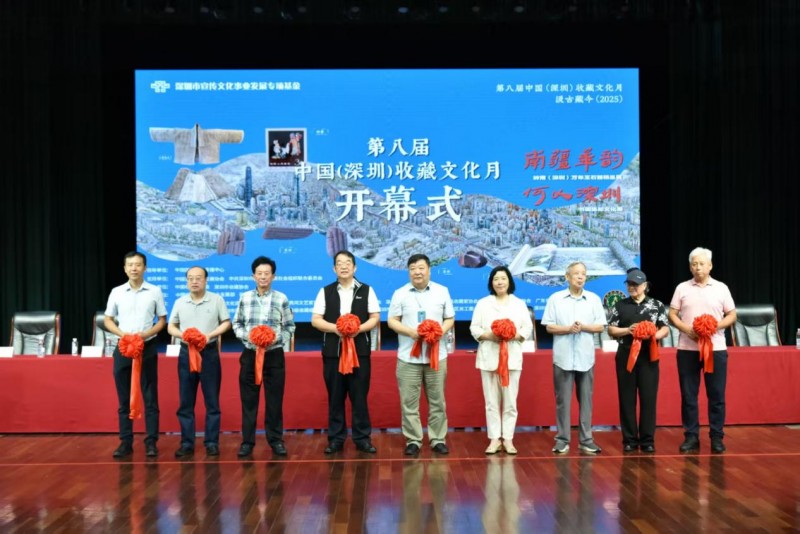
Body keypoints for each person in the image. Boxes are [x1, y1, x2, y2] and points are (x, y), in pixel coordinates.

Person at [311, 250, 381, 454]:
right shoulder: (326, 291)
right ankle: (336, 439)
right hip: (333, 353)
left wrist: (357, 329)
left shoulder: (366, 290)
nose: (344, 266)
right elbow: (316, 320)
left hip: (360, 353)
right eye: (339, 263)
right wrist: (338, 329)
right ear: (334, 269)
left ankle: (362, 438)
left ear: (355, 267)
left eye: (348, 263)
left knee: (359, 397)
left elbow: (375, 317)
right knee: (335, 398)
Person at [669, 247, 736, 454]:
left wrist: (715, 326)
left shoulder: (721, 288)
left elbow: (732, 315)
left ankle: (717, 437)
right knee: (689, 395)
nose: (698, 267)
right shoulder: (682, 288)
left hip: (715, 349)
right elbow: (672, 314)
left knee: (716, 395)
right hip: (687, 349)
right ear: (690, 267)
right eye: (694, 264)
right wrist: (686, 329)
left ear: (710, 266)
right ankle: (691, 436)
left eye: (702, 264)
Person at [388, 254, 455, 456]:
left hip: (437, 356)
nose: (417, 272)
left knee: (437, 401)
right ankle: (413, 440)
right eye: (413, 269)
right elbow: (392, 321)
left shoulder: (442, 291)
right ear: (408, 272)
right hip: (408, 357)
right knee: (409, 402)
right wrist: (410, 332)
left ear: (429, 270)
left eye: (421, 268)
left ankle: (437, 439)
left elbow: (450, 318)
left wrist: (439, 332)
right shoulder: (400, 293)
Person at [104, 251, 167, 458]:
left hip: (147, 347)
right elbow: (108, 319)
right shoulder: (116, 292)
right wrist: (123, 335)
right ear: (124, 268)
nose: (134, 268)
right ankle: (125, 441)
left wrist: (146, 334)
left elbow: (162, 320)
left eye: (138, 264)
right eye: (130, 265)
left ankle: (151, 442)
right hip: (124, 347)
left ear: (145, 268)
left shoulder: (155, 291)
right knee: (124, 398)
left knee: (150, 397)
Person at [232, 256, 296, 457]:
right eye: (259, 273)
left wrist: (275, 338)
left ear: (273, 276)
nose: (263, 277)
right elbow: (236, 324)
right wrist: (249, 337)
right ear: (253, 276)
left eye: (266, 273)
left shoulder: (281, 298)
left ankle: (276, 441)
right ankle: (247, 442)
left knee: (274, 401)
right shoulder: (245, 298)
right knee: (249, 402)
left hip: (274, 356)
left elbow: (289, 326)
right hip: (250, 355)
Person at [541, 261, 607, 455]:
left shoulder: (593, 299)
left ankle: (586, 440)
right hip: (563, 357)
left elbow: (600, 326)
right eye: (576, 273)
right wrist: (568, 329)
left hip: (586, 358)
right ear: (567, 277)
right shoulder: (556, 299)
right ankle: (562, 439)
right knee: (563, 401)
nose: (580, 277)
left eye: (583, 274)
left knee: (586, 401)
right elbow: (549, 326)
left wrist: (583, 327)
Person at [167, 266, 231, 458]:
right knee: (186, 401)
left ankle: (211, 443)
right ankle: (187, 443)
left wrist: (209, 335)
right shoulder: (180, 302)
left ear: (206, 280)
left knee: (212, 401)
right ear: (186, 281)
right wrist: (183, 335)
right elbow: (171, 326)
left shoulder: (217, 299)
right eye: (191, 278)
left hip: (209, 353)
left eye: (198, 278)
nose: (194, 281)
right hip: (186, 353)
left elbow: (226, 323)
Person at [469, 265, 533, 455]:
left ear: (509, 281)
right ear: (491, 282)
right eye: (496, 279)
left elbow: (527, 328)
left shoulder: (519, 304)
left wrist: (513, 335)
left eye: (503, 278)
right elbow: (474, 328)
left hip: (511, 359)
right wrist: (490, 335)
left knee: (510, 402)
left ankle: (509, 439)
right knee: (491, 402)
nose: (499, 282)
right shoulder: (483, 303)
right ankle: (494, 439)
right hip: (489, 358)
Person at [607, 268, 670, 453]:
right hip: (626, 355)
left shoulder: (656, 305)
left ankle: (648, 440)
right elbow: (611, 329)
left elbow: (665, 328)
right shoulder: (620, 305)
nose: (631, 287)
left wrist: (653, 335)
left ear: (645, 286)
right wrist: (628, 330)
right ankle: (629, 440)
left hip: (649, 356)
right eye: (629, 284)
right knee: (626, 398)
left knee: (648, 398)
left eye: (635, 284)